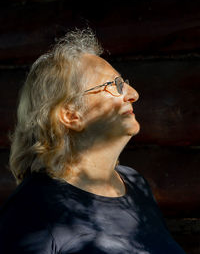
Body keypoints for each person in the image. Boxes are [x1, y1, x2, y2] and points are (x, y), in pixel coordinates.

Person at [0, 28, 185, 253]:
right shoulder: (31, 212)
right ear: (70, 115)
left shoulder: (135, 184)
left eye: (124, 82)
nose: (133, 93)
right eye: (114, 85)